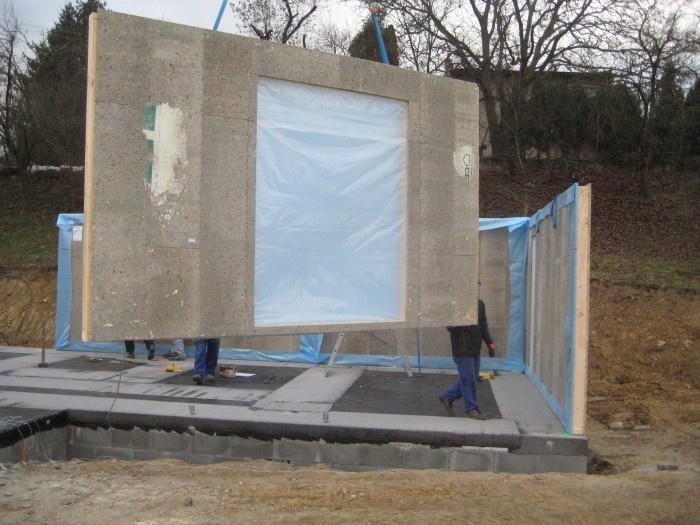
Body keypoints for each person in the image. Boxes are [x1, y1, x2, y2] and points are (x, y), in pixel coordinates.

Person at [438, 299, 496, 419]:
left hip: (475, 348)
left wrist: (489, 343)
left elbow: (483, 325)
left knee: (470, 378)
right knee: (468, 380)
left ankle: (447, 397)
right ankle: (471, 408)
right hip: (462, 349)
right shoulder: (455, 302)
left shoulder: (479, 303)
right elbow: (450, 326)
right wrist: (465, 318)